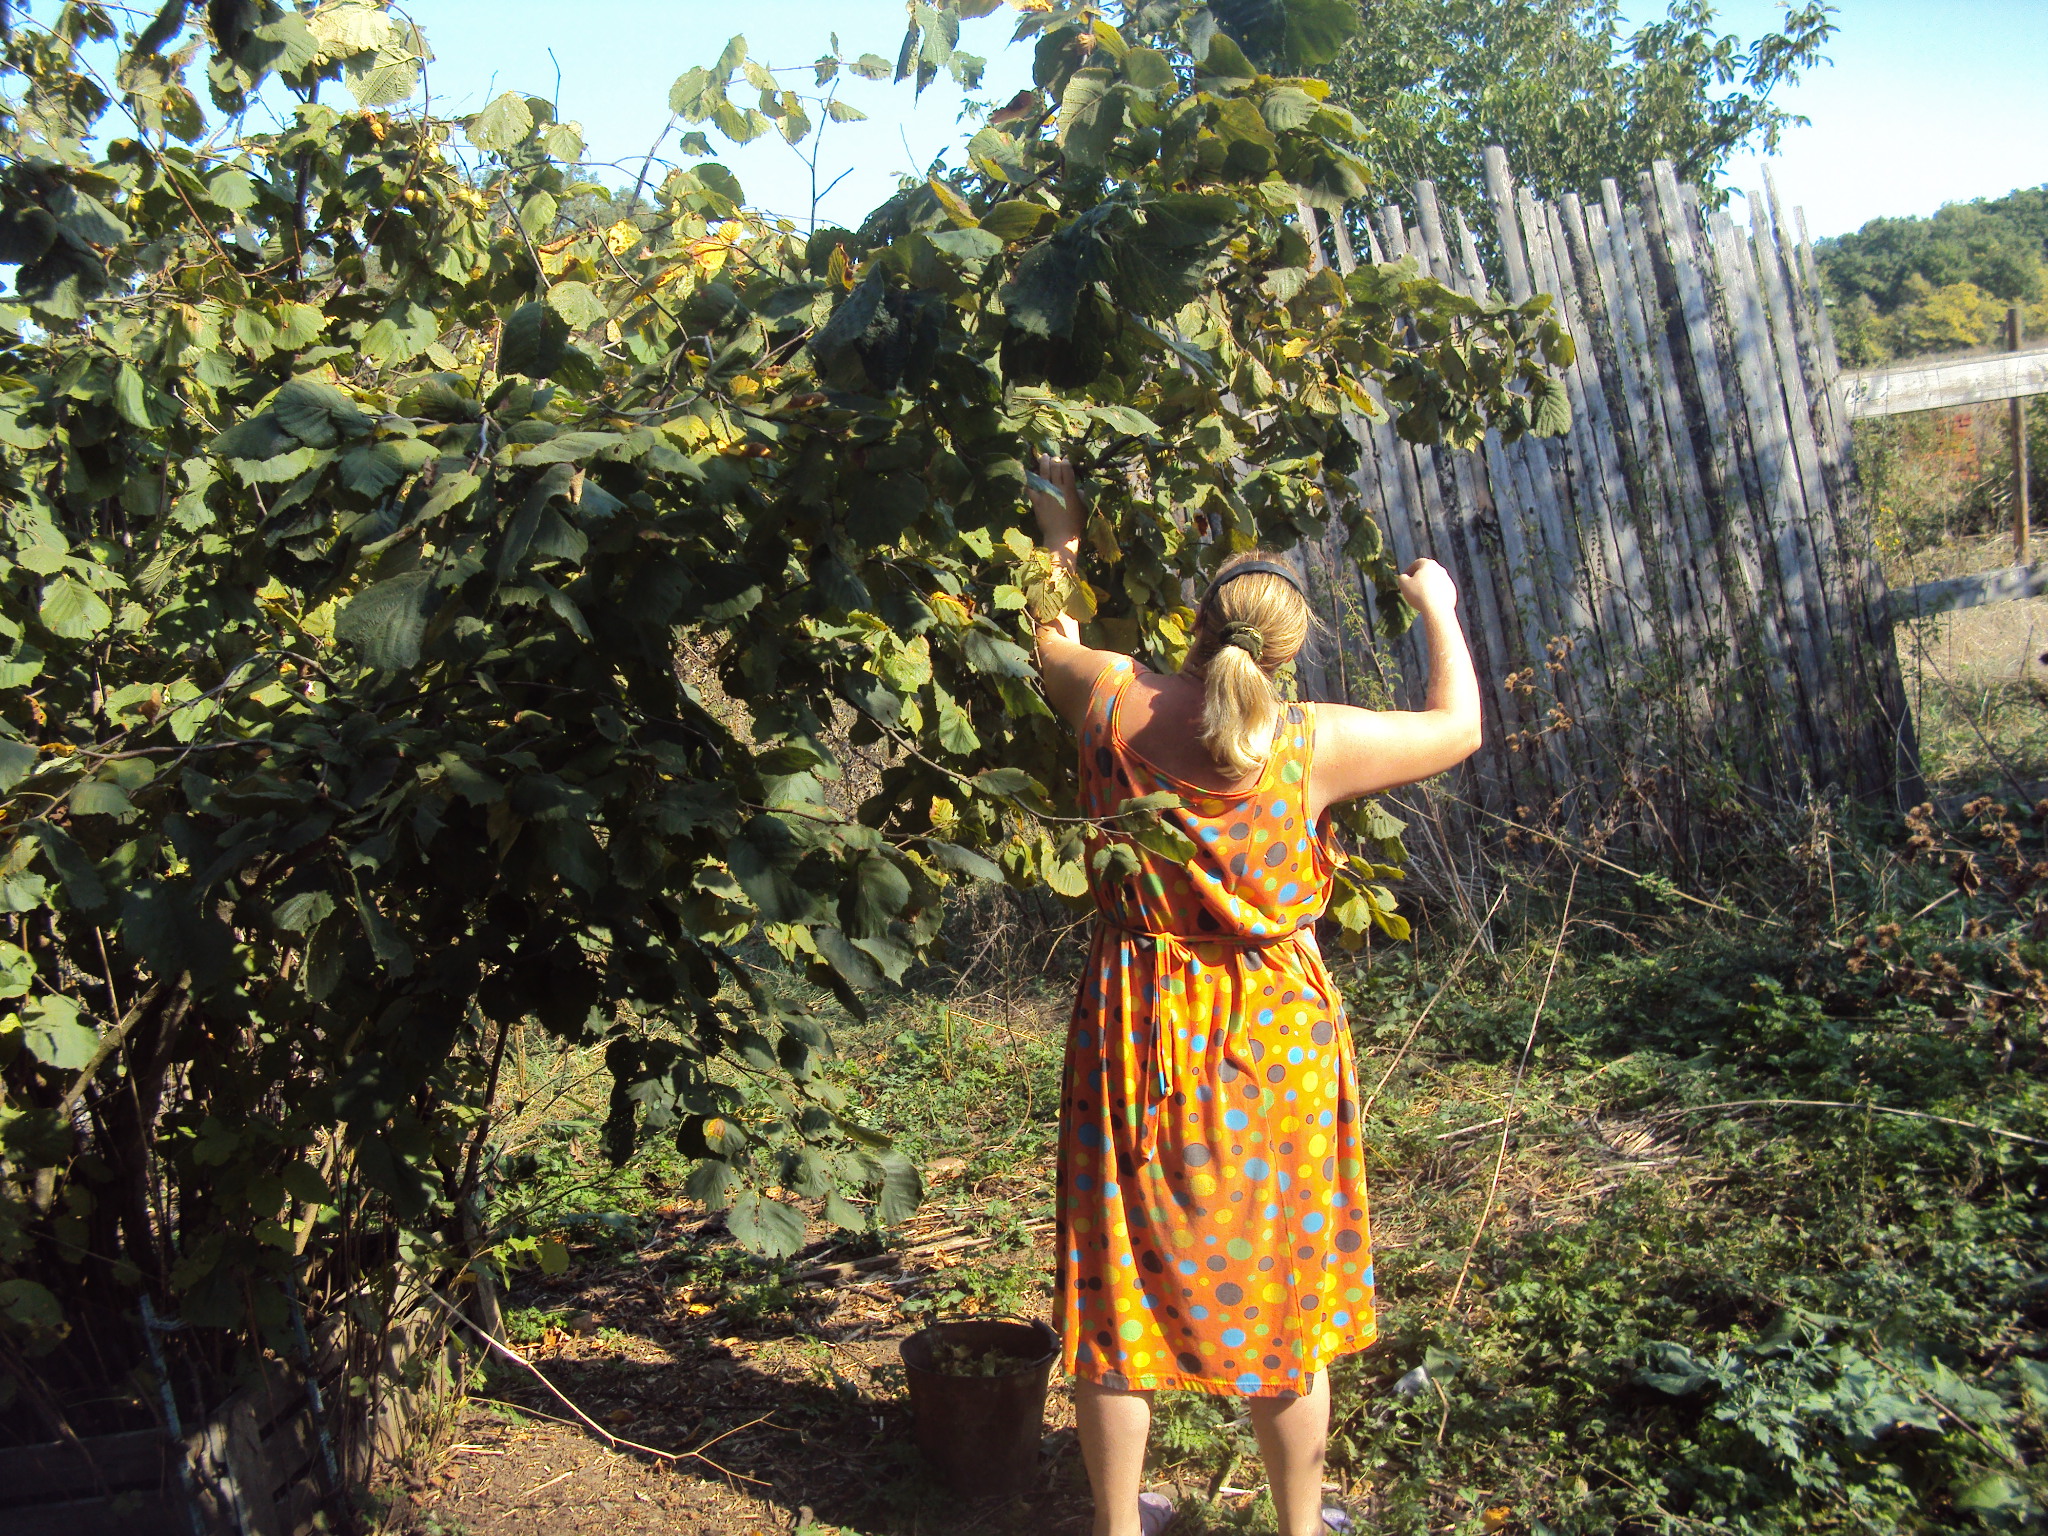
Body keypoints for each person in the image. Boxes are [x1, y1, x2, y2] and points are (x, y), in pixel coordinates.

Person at [1026, 455, 1482, 1536]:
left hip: (1134, 1020)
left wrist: (1059, 524)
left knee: (1116, 1280)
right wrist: (1437, 607)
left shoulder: (1109, 697)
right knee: (1285, 1286)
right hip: (1272, 1037)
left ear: (1197, 628)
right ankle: (1296, 1526)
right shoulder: (1313, 743)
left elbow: (1044, 633)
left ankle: (1117, 1529)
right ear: (1287, 652)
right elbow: (1459, 726)